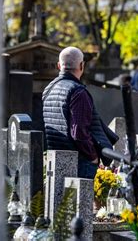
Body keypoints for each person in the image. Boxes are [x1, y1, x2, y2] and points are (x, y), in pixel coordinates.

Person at [42, 47, 116, 179]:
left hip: (57, 159)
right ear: (82, 65)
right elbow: (79, 132)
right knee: (80, 200)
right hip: (79, 161)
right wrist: (92, 156)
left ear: (59, 66)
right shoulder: (78, 92)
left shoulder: (49, 89)